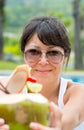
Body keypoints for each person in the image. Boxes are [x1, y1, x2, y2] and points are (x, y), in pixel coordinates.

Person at [0, 16, 84, 130]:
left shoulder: (77, 92)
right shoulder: (4, 87)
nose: (43, 62)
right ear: (24, 55)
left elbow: (69, 118)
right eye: (34, 52)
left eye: (53, 53)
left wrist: (56, 125)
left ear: (65, 57)